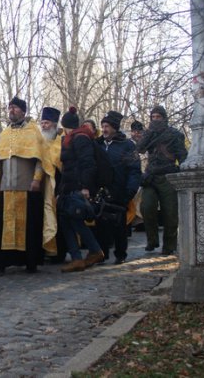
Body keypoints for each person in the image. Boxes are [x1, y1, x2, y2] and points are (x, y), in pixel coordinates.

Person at [0, 97, 56, 273]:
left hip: (27, 186)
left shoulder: (34, 132)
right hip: (6, 187)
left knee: (29, 227)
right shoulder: (4, 133)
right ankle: (1, 261)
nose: (11, 110)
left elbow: (42, 160)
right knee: (4, 225)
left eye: (15, 108)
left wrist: (36, 179)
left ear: (23, 111)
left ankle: (30, 261)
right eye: (10, 107)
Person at [57, 107, 104, 272]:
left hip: (76, 187)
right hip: (69, 186)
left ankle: (92, 252)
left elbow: (87, 163)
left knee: (74, 220)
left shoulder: (79, 138)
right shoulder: (74, 138)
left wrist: (85, 187)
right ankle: (79, 256)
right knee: (66, 219)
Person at [136, 105, 187, 255]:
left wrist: (182, 172)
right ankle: (152, 240)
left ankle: (169, 245)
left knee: (170, 213)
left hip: (168, 176)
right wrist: (148, 134)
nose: (155, 120)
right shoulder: (149, 133)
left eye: (158, 117)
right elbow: (140, 149)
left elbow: (182, 155)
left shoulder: (175, 134)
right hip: (151, 176)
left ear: (164, 118)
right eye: (153, 117)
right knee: (147, 208)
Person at [94, 111, 141, 264]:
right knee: (100, 224)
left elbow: (134, 170)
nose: (104, 129)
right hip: (101, 191)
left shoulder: (127, 146)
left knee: (119, 225)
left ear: (114, 127)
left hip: (120, 190)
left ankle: (120, 254)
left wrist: (130, 191)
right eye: (102, 126)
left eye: (107, 126)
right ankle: (102, 254)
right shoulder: (98, 144)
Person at [40, 107, 66, 262]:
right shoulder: (37, 142)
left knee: (58, 219)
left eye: (47, 123)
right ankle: (44, 250)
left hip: (57, 186)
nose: (44, 126)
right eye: (42, 123)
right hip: (40, 186)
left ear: (54, 124)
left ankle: (58, 252)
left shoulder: (61, 143)